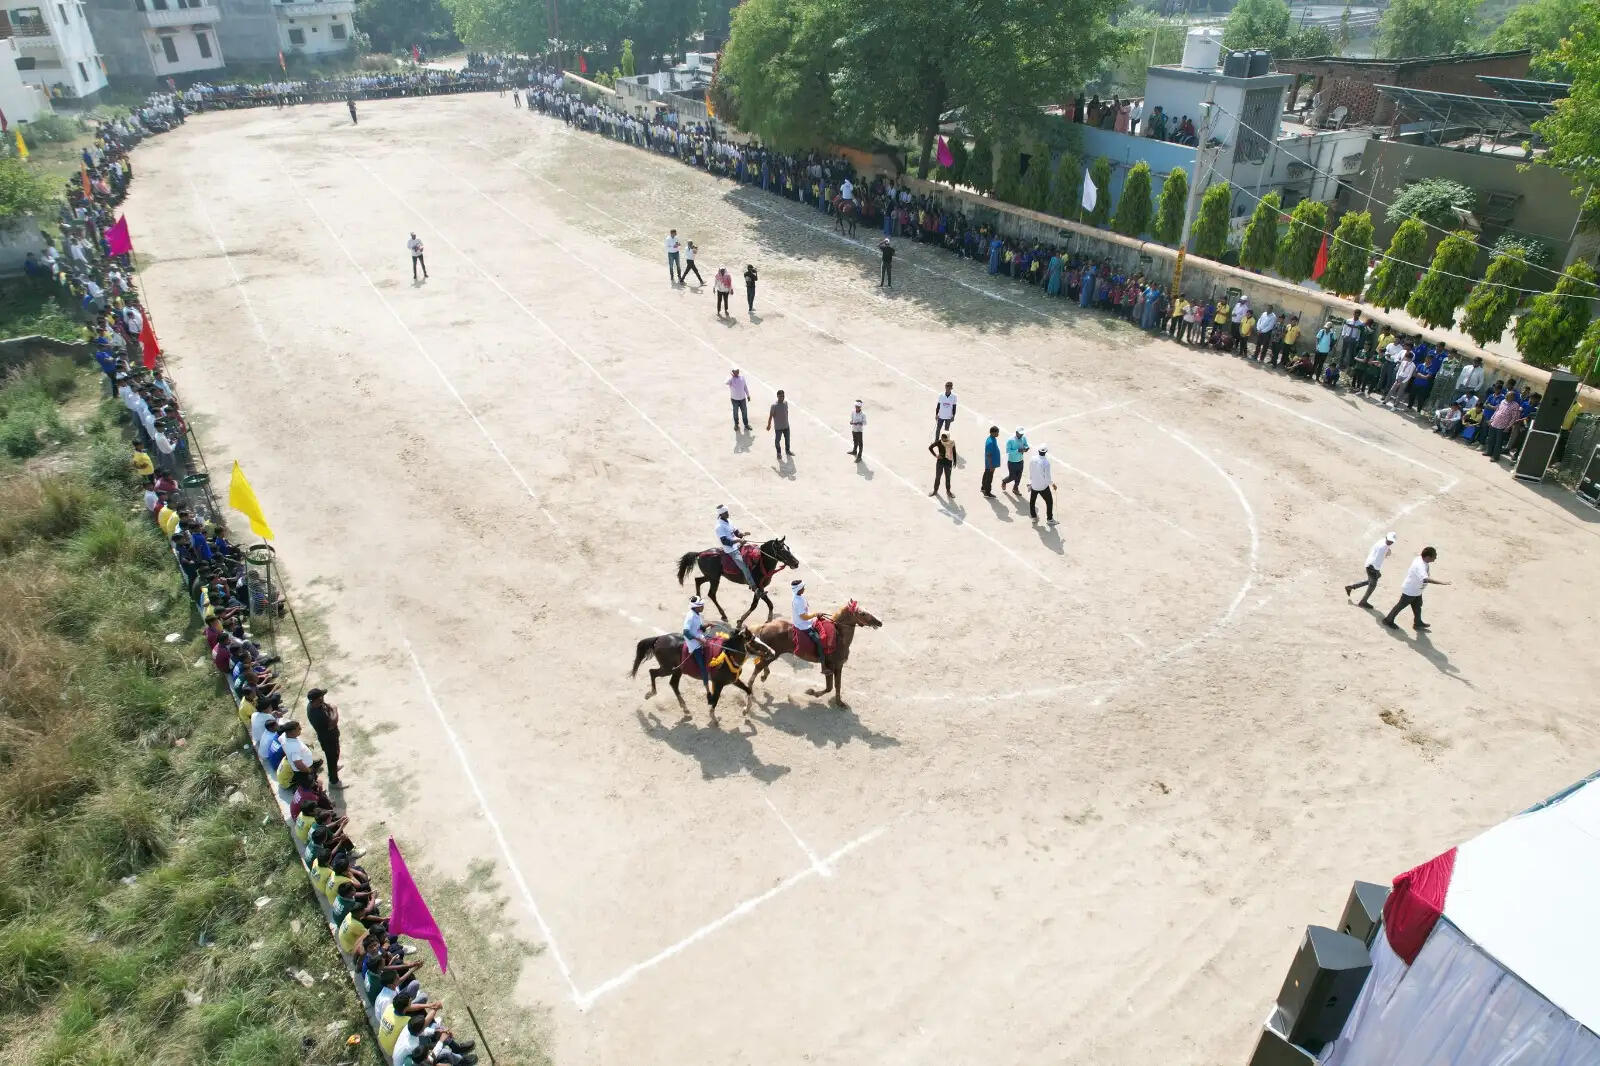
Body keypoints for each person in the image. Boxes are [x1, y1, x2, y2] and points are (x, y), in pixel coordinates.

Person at [1383, 546, 1446, 631]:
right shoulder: (1420, 566)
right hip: (1410, 591)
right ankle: (1388, 620)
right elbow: (1425, 579)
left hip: (1417, 590)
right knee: (1400, 606)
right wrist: (1442, 582)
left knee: (1418, 606)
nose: (1436, 558)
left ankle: (1418, 623)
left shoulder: (1421, 559)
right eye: (1434, 556)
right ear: (1428, 557)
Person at [1344, 531, 1395, 609]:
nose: (1390, 542)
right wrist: (1377, 572)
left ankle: (1351, 587)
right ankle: (1363, 602)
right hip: (1372, 567)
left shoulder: (1382, 541)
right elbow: (1377, 562)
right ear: (1386, 538)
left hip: (1369, 563)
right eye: (1389, 541)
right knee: (1373, 585)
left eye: (1391, 542)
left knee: (1371, 581)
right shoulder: (1383, 548)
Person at [305, 688, 342, 788]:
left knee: (334, 756)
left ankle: (333, 769)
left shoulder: (315, 705)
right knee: (332, 758)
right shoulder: (317, 715)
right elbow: (332, 723)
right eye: (322, 697)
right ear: (317, 699)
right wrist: (334, 709)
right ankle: (333, 781)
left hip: (329, 737)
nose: (323, 698)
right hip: (328, 739)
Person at [714, 504, 757, 589]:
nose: (728, 514)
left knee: (755, 550)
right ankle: (753, 586)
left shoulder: (729, 521)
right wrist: (738, 540)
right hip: (731, 550)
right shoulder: (719, 527)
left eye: (727, 512)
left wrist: (743, 534)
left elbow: (736, 533)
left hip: (738, 545)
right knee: (744, 566)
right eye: (725, 513)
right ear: (721, 514)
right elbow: (725, 541)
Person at [790, 579, 828, 672]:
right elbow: (804, 617)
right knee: (818, 640)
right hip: (803, 626)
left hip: (808, 621)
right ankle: (823, 666)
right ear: (798, 589)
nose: (804, 588)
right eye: (803, 587)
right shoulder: (797, 601)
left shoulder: (799, 596)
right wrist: (815, 614)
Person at [682, 596, 712, 699]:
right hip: (694, 645)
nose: (703, 606)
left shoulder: (697, 614)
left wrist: (708, 625)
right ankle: (708, 690)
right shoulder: (690, 616)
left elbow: (698, 628)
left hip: (700, 637)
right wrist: (700, 640)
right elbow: (686, 632)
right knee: (703, 667)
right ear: (696, 607)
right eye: (701, 605)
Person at [1028, 445, 1057, 524]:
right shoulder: (1046, 463)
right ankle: (1049, 519)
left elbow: (1030, 470)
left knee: (1032, 502)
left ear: (1038, 451)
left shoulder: (1032, 459)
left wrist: (1030, 482)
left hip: (1034, 485)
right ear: (1046, 452)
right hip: (1043, 487)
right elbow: (1047, 477)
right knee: (1049, 502)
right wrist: (1052, 484)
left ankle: (1034, 517)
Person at [928, 432, 957, 497]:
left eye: (944, 438)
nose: (942, 439)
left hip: (948, 462)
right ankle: (935, 491)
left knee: (948, 478)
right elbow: (930, 447)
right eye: (942, 437)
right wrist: (936, 455)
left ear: (948, 438)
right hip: (940, 462)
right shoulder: (939, 442)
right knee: (938, 477)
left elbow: (954, 452)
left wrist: (955, 461)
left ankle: (948, 491)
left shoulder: (951, 443)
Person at [767, 389, 792, 461]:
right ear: (777, 396)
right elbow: (771, 416)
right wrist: (769, 425)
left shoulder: (786, 403)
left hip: (786, 426)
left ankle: (787, 450)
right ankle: (779, 453)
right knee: (777, 441)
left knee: (787, 439)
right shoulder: (774, 406)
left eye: (783, 396)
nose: (782, 397)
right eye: (780, 396)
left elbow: (786, 412)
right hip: (778, 428)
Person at [1002, 427, 1029, 494]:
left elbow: (1026, 445)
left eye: (1022, 434)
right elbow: (1008, 451)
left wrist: (1026, 448)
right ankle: (1004, 481)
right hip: (1012, 462)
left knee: (1019, 476)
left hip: (1020, 461)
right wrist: (1018, 450)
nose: (1021, 435)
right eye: (1020, 434)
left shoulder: (1023, 438)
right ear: (1016, 432)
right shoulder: (1010, 440)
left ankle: (1015, 488)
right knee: (1012, 476)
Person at [981, 425, 1002, 497]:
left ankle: (983, 488)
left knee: (986, 475)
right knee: (989, 478)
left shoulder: (992, 438)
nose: (998, 434)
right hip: (990, 464)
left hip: (990, 463)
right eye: (997, 432)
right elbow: (989, 455)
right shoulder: (990, 442)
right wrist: (991, 465)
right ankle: (987, 493)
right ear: (992, 433)